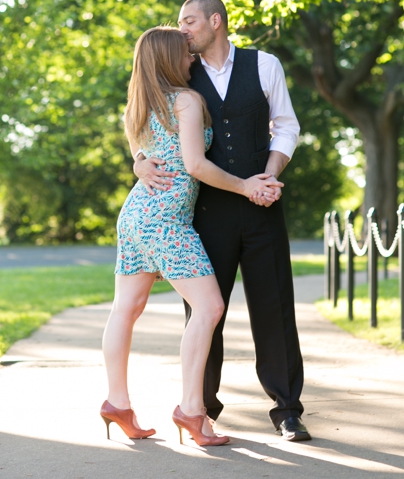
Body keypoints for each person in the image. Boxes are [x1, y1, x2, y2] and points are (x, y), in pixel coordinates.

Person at [134, 0, 310, 441]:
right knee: (204, 310)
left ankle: (287, 409)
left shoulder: (264, 65)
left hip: (262, 205)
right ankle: (201, 407)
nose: (183, 29)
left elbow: (286, 126)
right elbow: (142, 115)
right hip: (206, 212)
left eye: (189, 21)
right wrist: (139, 158)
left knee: (275, 308)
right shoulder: (180, 72)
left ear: (216, 21)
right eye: (179, 23)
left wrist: (269, 176)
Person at [102, 27, 281, 446]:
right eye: (185, 54)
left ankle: (117, 403)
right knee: (210, 307)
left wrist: (139, 163)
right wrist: (245, 186)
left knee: (125, 310)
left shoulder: (139, 103)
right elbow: (195, 165)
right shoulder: (186, 100)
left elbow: (139, 150)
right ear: (168, 57)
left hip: (135, 215)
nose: (192, 59)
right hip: (166, 219)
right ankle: (191, 410)